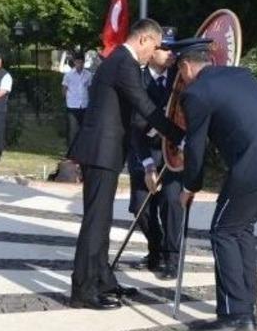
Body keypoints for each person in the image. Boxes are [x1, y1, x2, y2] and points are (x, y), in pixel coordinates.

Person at [168, 38, 257, 331]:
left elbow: (195, 147)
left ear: (185, 66)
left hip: (256, 167)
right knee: (239, 229)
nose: (181, 80)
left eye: (180, 73)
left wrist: (189, 187)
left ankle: (236, 317)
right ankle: (246, 307)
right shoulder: (240, 74)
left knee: (223, 232)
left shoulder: (196, 93)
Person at [68, 19, 184, 311]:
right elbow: (145, 106)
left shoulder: (120, 60)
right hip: (100, 151)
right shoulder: (125, 63)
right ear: (143, 39)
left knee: (102, 221)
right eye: (155, 46)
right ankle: (83, 290)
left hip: (105, 152)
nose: (154, 53)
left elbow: (136, 117)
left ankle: (103, 281)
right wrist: (179, 137)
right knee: (95, 222)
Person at [128, 26, 182, 279]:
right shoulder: (135, 80)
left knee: (171, 202)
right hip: (144, 150)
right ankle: (155, 249)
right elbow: (133, 128)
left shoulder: (180, 78)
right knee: (140, 207)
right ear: (151, 51)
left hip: (172, 152)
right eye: (165, 48)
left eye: (173, 48)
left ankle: (171, 258)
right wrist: (148, 165)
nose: (171, 53)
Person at [61, 52, 92, 151]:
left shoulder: (88, 75)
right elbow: (64, 88)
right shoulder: (69, 75)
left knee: (84, 129)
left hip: (84, 105)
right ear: (74, 62)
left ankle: (82, 150)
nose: (79, 64)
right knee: (73, 129)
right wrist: (66, 99)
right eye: (77, 62)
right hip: (72, 105)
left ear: (83, 62)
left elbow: (89, 88)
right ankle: (71, 151)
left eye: (81, 62)